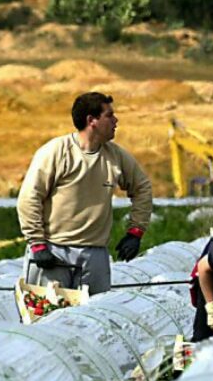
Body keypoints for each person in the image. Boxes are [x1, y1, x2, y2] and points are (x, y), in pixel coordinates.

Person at [17, 92, 153, 295]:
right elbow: (29, 198)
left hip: (94, 255)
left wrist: (135, 232)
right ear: (92, 120)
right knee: (47, 317)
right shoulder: (56, 152)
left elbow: (142, 187)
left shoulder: (115, 156)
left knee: (90, 319)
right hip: (54, 253)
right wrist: (37, 244)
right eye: (109, 115)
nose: (116, 121)